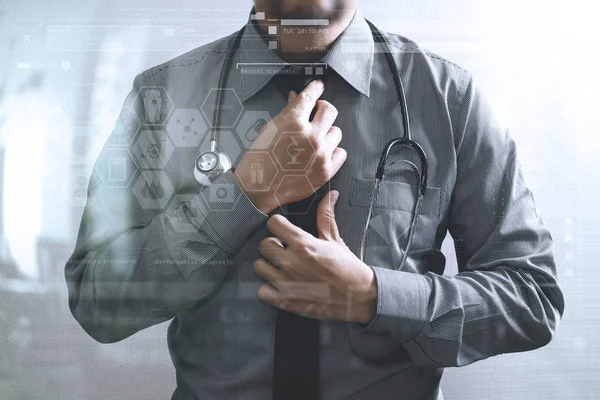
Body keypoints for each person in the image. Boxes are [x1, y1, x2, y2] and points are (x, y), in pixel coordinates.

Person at [65, 1, 565, 399]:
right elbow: (96, 304)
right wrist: (243, 194)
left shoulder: (450, 99)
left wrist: (375, 296)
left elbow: (532, 298)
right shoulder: (162, 97)